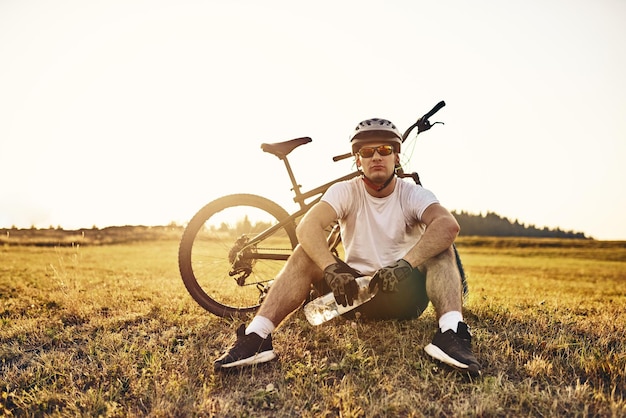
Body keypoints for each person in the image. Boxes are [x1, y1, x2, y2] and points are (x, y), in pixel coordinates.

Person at [214, 118, 481, 376]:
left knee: (441, 250)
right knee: (304, 252)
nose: (376, 156)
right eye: (367, 151)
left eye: (385, 149)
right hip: (350, 296)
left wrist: (405, 264)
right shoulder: (344, 191)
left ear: (396, 157)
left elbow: (447, 225)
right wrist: (330, 267)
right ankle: (257, 337)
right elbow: (307, 227)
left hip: (404, 296)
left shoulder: (412, 194)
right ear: (358, 160)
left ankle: (450, 334)